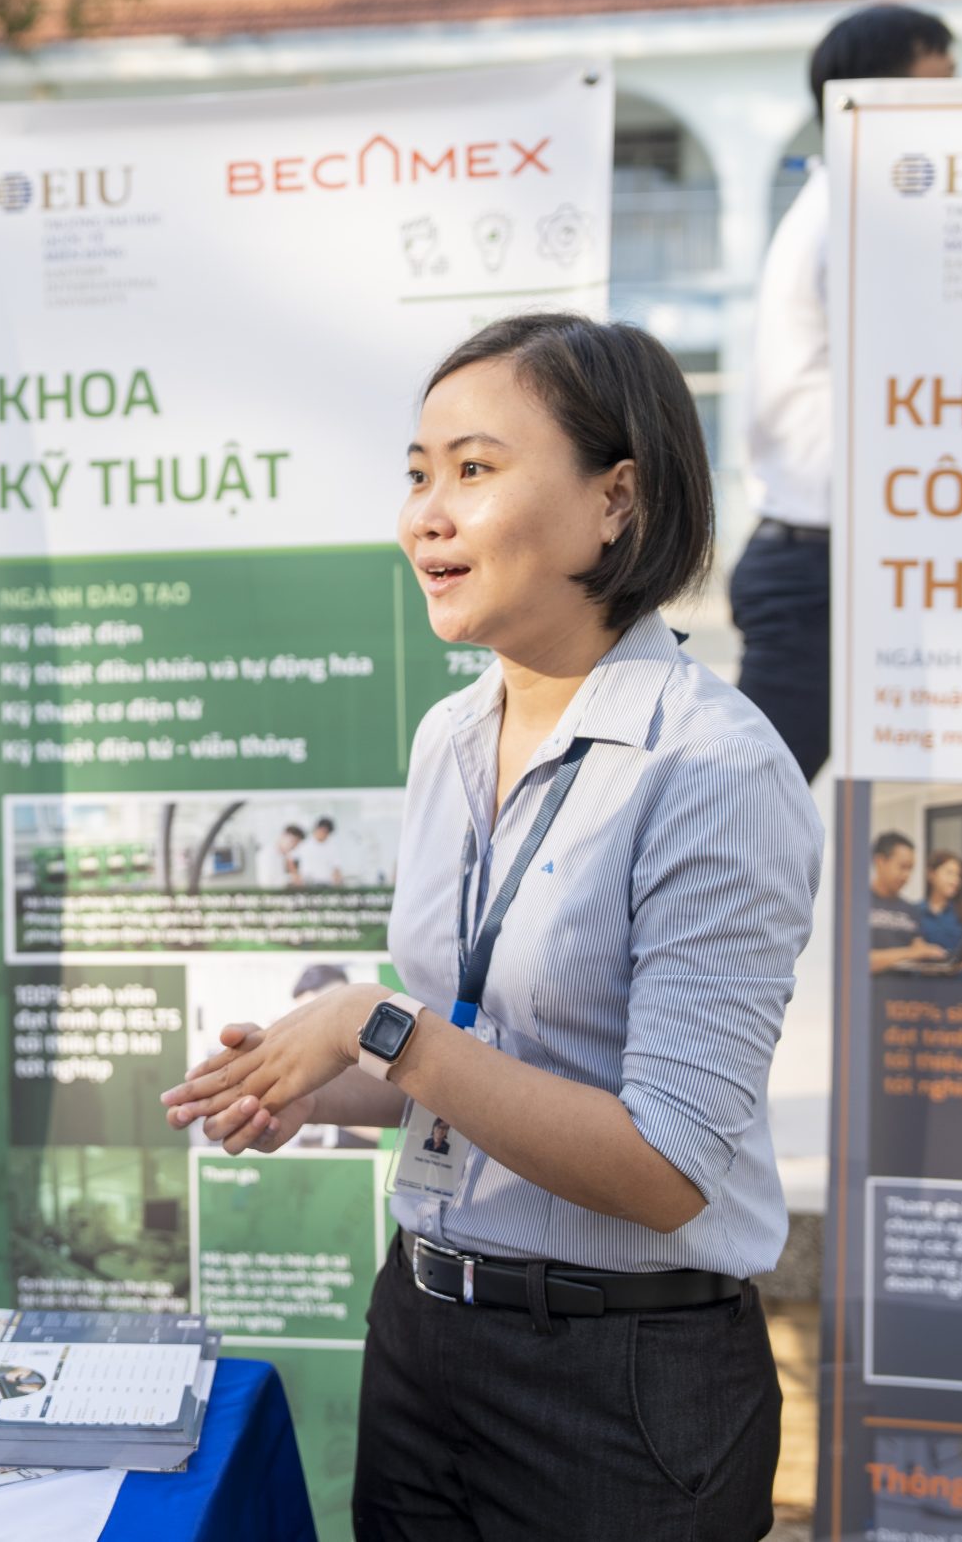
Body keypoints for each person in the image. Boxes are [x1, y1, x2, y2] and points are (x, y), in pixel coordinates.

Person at [162, 314, 818, 1539]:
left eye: (473, 469)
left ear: (615, 499)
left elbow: (663, 1169)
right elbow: (496, 1058)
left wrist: (373, 1024)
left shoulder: (711, 769)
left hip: (618, 1389)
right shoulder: (449, 738)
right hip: (422, 1336)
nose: (427, 514)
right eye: (417, 474)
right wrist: (308, 1085)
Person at [731, 3, 955, 781]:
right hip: (821, 568)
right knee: (736, 815)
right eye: (942, 87)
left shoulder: (847, 206)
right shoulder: (859, 217)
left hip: (831, 559)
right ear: (878, 98)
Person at [866, 831, 943, 972]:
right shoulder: (858, 905)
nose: (907, 875)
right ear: (880, 862)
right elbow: (857, 960)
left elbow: (919, 950)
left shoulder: (911, 910)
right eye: (902, 867)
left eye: (910, 869)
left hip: (908, 984)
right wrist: (910, 953)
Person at [292, 817, 344, 887]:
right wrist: (296, 876)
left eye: (326, 832)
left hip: (326, 884)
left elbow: (336, 867)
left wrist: (338, 879)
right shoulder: (304, 843)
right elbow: (291, 859)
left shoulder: (332, 847)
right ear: (316, 829)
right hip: (306, 883)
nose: (323, 834)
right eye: (322, 830)